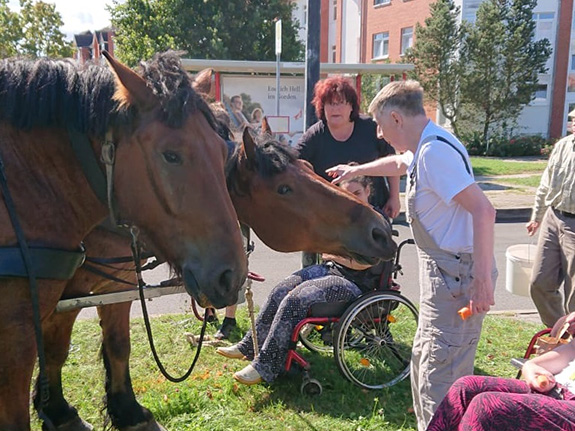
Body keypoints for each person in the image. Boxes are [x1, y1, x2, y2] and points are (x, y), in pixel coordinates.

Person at [326, 80, 497, 431]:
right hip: (446, 278)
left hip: (457, 279)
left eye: (380, 125)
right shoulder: (426, 145)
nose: (379, 133)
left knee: (442, 379)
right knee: (424, 360)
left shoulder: (435, 154)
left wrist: (481, 281)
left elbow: (484, 211)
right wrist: (356, 171)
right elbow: (401, 163)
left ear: (396, 119)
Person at [216, 175, 391, 385]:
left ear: (368, 191)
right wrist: (339, 257)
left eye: (357, 193)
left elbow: (366, 263)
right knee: (282, 288)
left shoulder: (377, 221)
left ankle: (266, 365)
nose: (353, 198)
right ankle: (248, 346)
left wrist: (336, 256)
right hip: (332, 270)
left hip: (357, 285)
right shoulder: (342, 216)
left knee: (296, 299)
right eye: (347, 193)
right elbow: (326, 252)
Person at [297, 76, 400, 267]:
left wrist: (395, 197)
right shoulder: (314, 136)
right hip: (333, 219)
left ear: (351, 106)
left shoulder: (370, 128)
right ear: (322, 108)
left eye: (341, 103)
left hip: (373, 209)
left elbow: (392, 161)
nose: (335, 109)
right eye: (330, 104)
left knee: (373, 263)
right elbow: (294, 166)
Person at [426, 312, 575, 431]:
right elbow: (571, 348)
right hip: (558, 388)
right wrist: (531, 365)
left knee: (487, 406)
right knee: (465, 386)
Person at [526, 120, 575, 328]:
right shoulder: (563, 145)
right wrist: (537, 216)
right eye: (573, 120)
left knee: (574, 296)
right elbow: (547, 182)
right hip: (553, 217)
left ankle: (571, 348)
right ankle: (560, 333)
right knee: (539, 283)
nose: (573, 123)